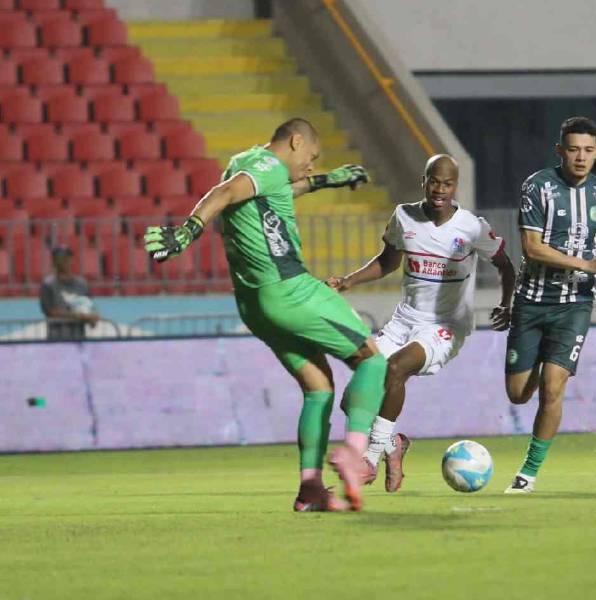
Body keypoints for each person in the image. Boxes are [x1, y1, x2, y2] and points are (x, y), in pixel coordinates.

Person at [144, 118, 386, 512]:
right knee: (372, 362)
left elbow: (276, 192)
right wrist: (189, 230)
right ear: (294, 142)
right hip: (290, 288)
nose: (310, 165)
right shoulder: (266, 167)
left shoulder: (250, 163)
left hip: (254, 304)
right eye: (311, 157)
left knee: (318, 386)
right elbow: (224, 193)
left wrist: (329, 180)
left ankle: (310, 488)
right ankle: (355, 454)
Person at [327, 154, 516, 492]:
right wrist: (347, 281)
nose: (439, 189)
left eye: (447, 183)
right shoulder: (404, 216)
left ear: (455, 186)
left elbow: (506, 265)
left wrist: (507, 302)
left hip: (446, 326)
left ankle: (369, 459)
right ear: (424, 182)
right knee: (353, 398)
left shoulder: (472, 227)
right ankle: (393, 444)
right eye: (434, 181)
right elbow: (387, 261)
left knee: (395, 369)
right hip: (404, 321)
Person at [503, 117, 596, 493]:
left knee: (553, 386)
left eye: (589, 150)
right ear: (560, 151)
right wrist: (587, 264)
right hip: (532, 301)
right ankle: (541, 358)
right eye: (574, 149)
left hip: (576, 303)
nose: (581, 157)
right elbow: (531, 247)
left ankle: (527, 473)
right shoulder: (538, 187)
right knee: (518, 394)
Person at [39, 246, 100, 341]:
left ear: (71, 259)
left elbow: (89, 305)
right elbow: (50, 311)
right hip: (57, 338)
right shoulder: (48, 284)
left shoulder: (82, 284)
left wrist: (93, 316)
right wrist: (75, 315)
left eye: (65, 257)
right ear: (53, 261)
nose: (62, 261)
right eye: (59, 258)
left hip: (79, 338)